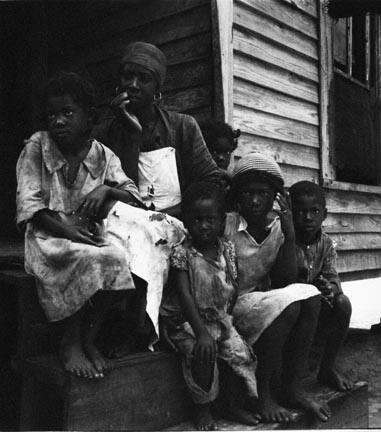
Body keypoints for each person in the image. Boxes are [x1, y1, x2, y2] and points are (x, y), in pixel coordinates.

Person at [16, 71, 145, 379]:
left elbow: (134, 195)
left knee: (121, 259)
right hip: (48, 236)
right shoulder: (38, 146)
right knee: (93, 257)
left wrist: (108, 190)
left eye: (68, 113)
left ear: (89, 118)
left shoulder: (102, 154)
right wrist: (67, 230)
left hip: (88, 237)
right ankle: (71, 341)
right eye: (52, 114)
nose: (58, 121)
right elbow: (29, 203)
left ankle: (88, 336)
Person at [225, 153, 331, 423]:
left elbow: (286, 280)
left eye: (263, 193)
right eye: (248, 193)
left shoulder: (278, 227)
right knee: (287, 304)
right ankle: (263, 394)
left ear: (275, 196)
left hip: (258, 301)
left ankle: (292, 386)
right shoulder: (228, 224)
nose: (255, 200)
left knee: (310, 294)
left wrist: (289, 233)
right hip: (229, 304)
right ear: (238, 196)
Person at [160, 182, 258, 431]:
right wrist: (202, 332)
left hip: (218, 317)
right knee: (202, 352)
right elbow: (184, 294)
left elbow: (232, 284)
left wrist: (225, 321)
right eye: (197, 219)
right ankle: (202, 407)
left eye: (210, 220)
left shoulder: (227, 249)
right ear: (186, 221)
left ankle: (231, 405)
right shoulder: (182, 252)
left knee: (240, 353)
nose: (204, 225)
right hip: (187, 319)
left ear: (222, 221)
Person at [92, 41, 221, 218]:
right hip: (122, 228)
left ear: (157, 89)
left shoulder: (183, 127)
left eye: (144, 79)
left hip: (176, 224)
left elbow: (211, 183)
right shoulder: (103, 134)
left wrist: (162, 217)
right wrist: (132, 136)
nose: (133, 85)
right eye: (128, 76)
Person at [289, 180, 353, 392]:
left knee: (343, 303)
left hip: (316, 307)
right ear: (290, 212)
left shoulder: (325, 243)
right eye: (300, 212)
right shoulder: (285, 239)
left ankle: (327, 368)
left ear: (324, 214)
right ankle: (293, 379)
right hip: (291, 308)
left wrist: (330, 288)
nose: (307, 217)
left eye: (314, 211)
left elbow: (332, 276)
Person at [200, 120, 240, 196]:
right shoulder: (197, 179)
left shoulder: (228, 181)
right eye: (214, 152)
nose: (221, 158)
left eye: (227, 152)